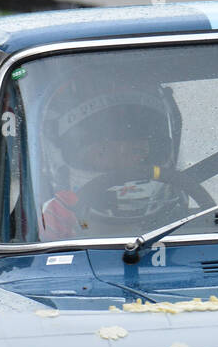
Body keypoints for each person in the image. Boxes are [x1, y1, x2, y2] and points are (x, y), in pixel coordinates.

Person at [39, 82, 193, 240]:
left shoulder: (195, 217)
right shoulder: (54, 219)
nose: (124, 165)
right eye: (103, 152)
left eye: (137, 151)